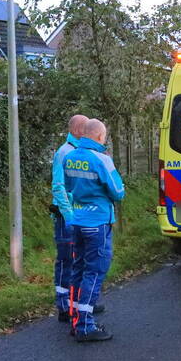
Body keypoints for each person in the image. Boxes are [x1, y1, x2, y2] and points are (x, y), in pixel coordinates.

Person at [64, 119, 125, 342]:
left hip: (77, 220)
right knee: (94, 272)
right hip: (97, 223)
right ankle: (86, 326)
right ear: (99, 136)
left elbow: (69, 187)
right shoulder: (102, 159)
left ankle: (75, 318)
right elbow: (118, 192)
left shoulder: (70, 157)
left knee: (78, 269)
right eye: (104, 136)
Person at [51, 114, 88, 322]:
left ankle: (76, 304)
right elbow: (58, 187)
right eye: (87, 129)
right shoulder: (64, 152)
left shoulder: (79, 152)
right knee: (66, 260)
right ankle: (64, 306)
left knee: (78, 260)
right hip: (67, 216)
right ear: (77, 131)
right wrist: (70, 216)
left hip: (79, 214)